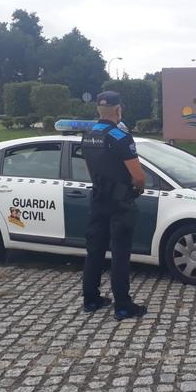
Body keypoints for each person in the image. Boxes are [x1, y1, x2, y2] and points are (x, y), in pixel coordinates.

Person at [80, 90, 147, 320]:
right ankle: (122, 306)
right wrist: (138, 188)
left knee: (94, 251)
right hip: (120, 202)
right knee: (120, 254)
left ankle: (90, 299)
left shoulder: (87, 135)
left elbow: (90, 170)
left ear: (98, 109)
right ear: (118, 110)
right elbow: (138, 175)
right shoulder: (120, 137)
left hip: (98, 198)